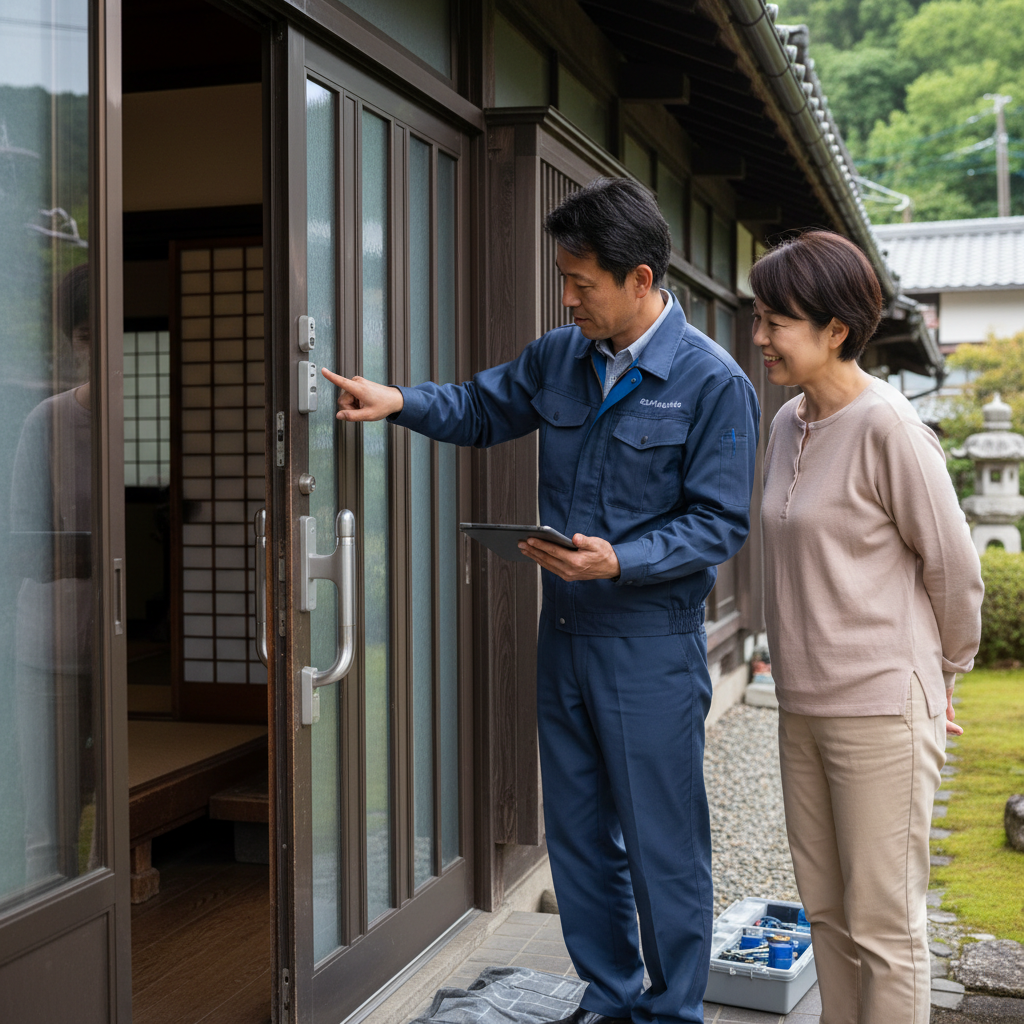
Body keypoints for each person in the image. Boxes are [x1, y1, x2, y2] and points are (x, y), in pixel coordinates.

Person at [322, 178, 760, 1024]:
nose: (567, 298)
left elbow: (718, 523)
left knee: (663, 843)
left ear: (640, 280)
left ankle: (671, 1014)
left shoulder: (711, 382)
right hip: (563, 630)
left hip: (648, 640)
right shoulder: (561, 356)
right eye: (563, 279)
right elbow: (484, 408)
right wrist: (400, 402)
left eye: (581, 282)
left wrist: (620, 559)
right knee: (579, 834)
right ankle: (608, 996)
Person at [751, 230, 984, 1024]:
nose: (760, 335)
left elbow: (956, 571)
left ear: (835, 330)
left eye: (776, 320)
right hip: (801, 705)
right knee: (825, 915)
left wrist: (941, 677)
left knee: (886, 929)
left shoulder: (891, 428)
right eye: (759, 316)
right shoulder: (787, 422)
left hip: (884, 709)